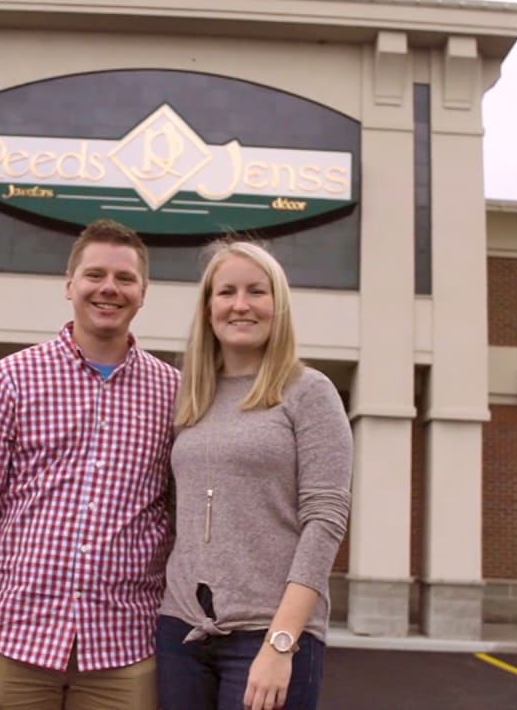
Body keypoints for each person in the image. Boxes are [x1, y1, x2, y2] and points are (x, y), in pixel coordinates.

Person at [0, 219, 180, 709]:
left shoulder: (174, 393)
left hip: (125, 646)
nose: (109, 288)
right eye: (95, 274)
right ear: (69, 285)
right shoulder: (10, 379)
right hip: (15, 638)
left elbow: (178, 510)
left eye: (125, 279)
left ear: (144, 293)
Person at [157, 240, 352, 710]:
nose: (240, 305)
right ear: (208, 309)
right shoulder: (187, 398)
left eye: (256, 292)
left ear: (277, 306)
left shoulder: (308, 392)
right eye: (226, 292)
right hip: (179, 632)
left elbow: (325, 519)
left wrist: (282, 642)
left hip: (267, 634)